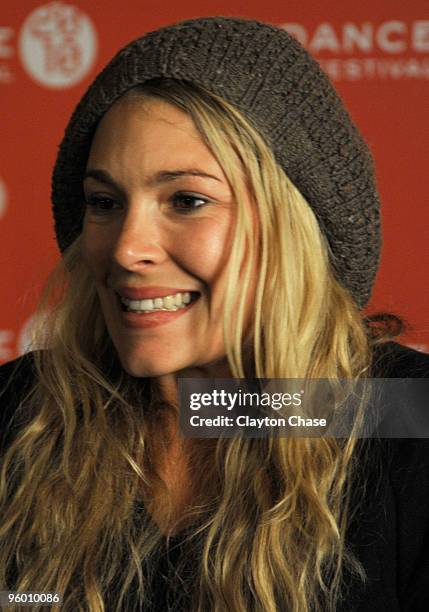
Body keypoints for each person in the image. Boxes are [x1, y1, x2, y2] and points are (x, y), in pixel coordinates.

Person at [1, 16, 428, 612]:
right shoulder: (24, 412)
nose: (126, 248)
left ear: (294, 225)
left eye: (187, 200)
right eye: (104, 203)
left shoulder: (403, 418)